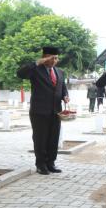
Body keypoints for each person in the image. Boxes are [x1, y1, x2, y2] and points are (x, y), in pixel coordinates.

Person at [17, 46, 69, 175]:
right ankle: (40, 164)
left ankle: (51, 163)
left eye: (56, 58)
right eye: (53, 58)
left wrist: (65, 96)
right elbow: (20, 74)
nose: (55, 61)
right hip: (39, 111)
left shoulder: (60, 72)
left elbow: (62, 87)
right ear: (45, 57)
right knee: (41, 139)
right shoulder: (36, 70)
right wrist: (36, 62)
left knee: (53, 139)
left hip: (56, 111)